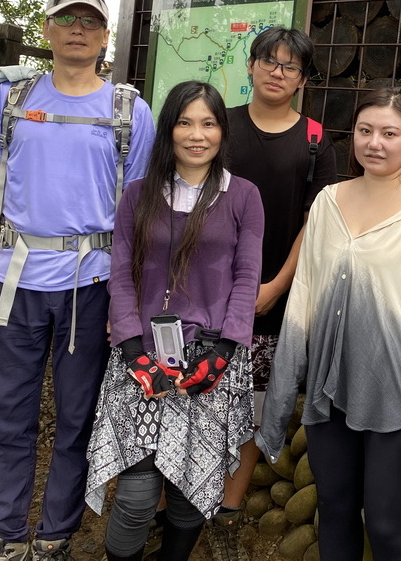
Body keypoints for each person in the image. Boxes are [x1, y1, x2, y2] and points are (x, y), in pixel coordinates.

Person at [0, 0, 155, 561]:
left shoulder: (128, 110)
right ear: (47, 30)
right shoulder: (12, 98)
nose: (78, 29)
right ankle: (6, 531)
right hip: (14, 282)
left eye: (90, 21)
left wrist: (126, 302)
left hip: (90, 285)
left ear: (104, 36)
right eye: (66, 19)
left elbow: (137, 210)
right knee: (10, 414)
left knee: (76, 417)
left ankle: (55, 533)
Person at [257, 86, 401, 561]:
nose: (375, 143)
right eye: (365, 130)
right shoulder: (329, 203)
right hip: (331, 391)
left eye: (390, 133)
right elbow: (302, 302)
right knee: (334, 509)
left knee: (390, 528)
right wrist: (283, 395)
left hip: (398, 396)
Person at [85, 80, 264, 561]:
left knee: (191, 486)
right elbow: (120, 274)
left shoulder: (244, 196)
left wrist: (224, 351)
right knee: (137, 495)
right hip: (142, 360)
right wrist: (131, 349)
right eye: (185, 122)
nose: (196, 134)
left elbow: (247, 278)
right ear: (169, 130)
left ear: (223, 132)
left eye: (208, 123)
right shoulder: (139, 195)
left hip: (211, 359)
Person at [208, 27, 337, 560]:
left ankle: (228, 515)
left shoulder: (314, 139)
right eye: (269, 61)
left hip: (271, 298)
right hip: (206, 294)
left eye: (290, 67)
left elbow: (317, 220)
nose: (277, 72)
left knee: (252, 410)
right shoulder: (220, 126)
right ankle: (172, 506)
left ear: (303, 80)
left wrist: (277, 285)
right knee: (186, 396)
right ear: (252, 65)